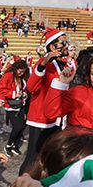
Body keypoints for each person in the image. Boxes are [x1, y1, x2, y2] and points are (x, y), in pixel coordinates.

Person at [20, 29, 71, 174]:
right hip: (41, 118)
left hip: (56, 117)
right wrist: (43, 63)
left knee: (49, 155)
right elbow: (31, 87)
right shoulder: (43, 64)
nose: (66, 44)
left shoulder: (62, 65)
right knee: (33, 158)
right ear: (53, 47)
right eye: (63, 42)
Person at [0, 59, 29, 157]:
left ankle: (15, 145)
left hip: (21, 104)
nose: (21, 73)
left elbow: (25, 90)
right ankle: (8, 146)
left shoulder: (23, 78)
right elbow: (1, 89)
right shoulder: (8, 76)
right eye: (20, 71)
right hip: (11, 105)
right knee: (17, 127)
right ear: (16, 68)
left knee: (22, 126)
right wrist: (15, 94)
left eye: (23, 71)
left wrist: (24, 94)